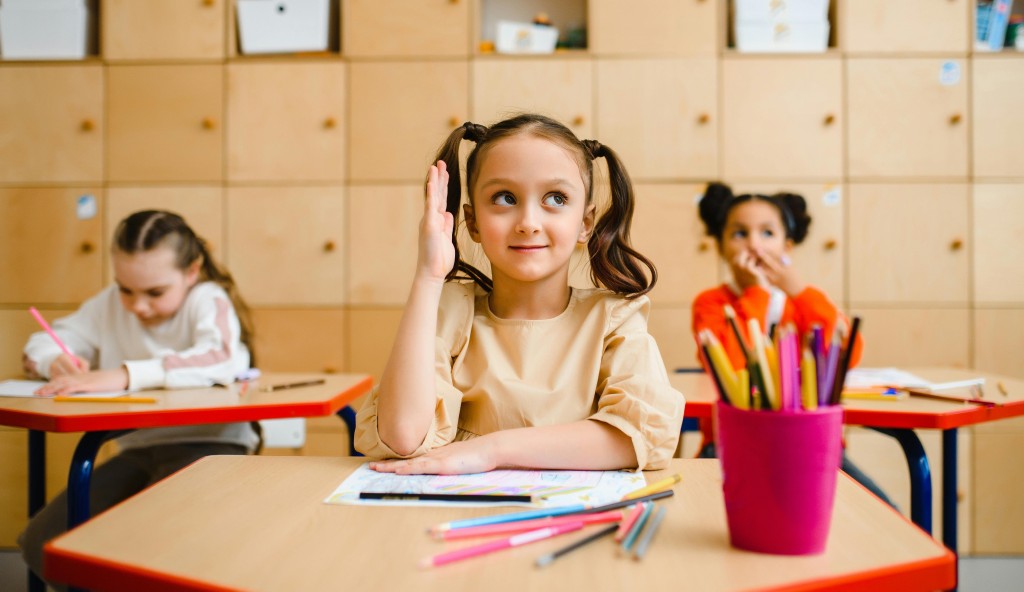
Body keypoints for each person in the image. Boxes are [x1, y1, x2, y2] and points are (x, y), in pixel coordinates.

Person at [355, 114, 684, 475]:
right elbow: (402, 436)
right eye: (505, 197)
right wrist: (428, 276)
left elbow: (637, 437)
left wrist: (492, 450)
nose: (528, 221)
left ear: (585, 224)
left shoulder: (614, 319)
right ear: (473, 221)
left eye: (556, 199)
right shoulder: (450, 309)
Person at [19, 210, 258, 587]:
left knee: (150, 548)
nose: (138, 306)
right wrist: (55, 361)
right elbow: (39, 346)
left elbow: (224, 358)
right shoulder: (110, 304)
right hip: (138, 449)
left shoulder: (208, 299)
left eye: (155, 293)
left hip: (212, 447)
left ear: (192, 272)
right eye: (125, 288)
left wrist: (123, 374)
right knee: (42, 542)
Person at [691, 181, 894, 507]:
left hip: (810, 442)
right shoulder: (711, 303)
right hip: (733, 443)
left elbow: (846, 354)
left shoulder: (801, 302)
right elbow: (733, 362)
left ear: (788, 246)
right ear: (720, 246)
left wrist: (797, 289)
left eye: (767, 233)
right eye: (739, 233)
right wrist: (756, 294)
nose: (754, 244)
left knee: (885, 514)